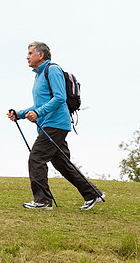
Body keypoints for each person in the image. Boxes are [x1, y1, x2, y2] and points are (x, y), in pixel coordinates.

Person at [7, 41, 105, 210]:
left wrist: (38, 113)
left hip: (56, 123)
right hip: (48, 124)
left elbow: (59, 98)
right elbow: (40, 104)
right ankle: (92, 194)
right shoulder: (38, 75)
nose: (27, 56)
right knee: (62, 164)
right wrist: (20, 114)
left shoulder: (52, 70)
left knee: (36, 158)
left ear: (41, 55)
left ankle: (42, 201)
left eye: (30, 53)